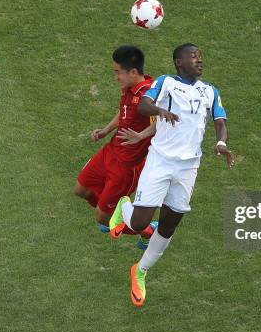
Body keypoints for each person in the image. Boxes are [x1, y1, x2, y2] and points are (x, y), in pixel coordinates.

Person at [109, 43, 235, 306]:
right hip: (161, 161)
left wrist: (221, 143)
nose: (200, 61)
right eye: (194, 57)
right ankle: (125, 206)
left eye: (200, 56)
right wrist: (160, 111)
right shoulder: (166, 83)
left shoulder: (210, 91)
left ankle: (140, 271)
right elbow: (143, 106)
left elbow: (220, 122)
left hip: (189, 167)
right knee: (139, 223)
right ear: (179, 62)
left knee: (168, 226)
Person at [73, 45, 156, 247]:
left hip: (127, 167)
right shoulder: (129, 88)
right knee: (80, 189)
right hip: (110, 152)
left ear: (133, 72)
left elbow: (162, 126)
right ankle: (113, 214)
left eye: (118, 72)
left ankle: (148, 232)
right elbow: (124, 113)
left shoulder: (150, 97)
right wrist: (106, 130)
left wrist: (141, 136)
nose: (116, 77)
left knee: (101, 218)